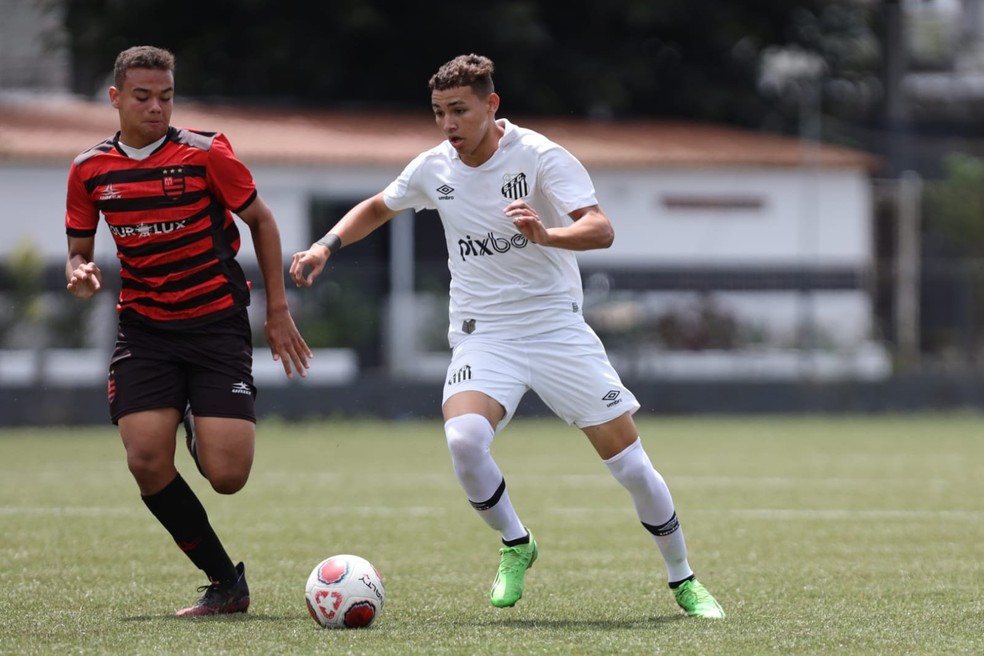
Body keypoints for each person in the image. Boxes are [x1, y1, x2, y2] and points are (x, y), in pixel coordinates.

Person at [290, 54, 724, 618]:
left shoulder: (540, 156)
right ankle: (517, 543)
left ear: (491, 106)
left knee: (632, 466)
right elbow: (378, 206)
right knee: (464, 441)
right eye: (439, 112)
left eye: (459, 110)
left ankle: (683, 578)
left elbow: (601, 229)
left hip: (555, 329)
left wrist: (547, 234)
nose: (448, 124)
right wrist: (325, 245)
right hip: (483, 334)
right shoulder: (433, 168)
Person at [65, 45, 312, 616]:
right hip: (145, 331)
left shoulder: (206, 154)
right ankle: (227, 584)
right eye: (143, 97)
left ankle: (200, 428)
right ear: (116, 98)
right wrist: (80, 273)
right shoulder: (88, 169)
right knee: (146, 461)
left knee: (227, 477)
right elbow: (78, 252)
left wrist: (277, 310)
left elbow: (262, 221)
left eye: (166, 97)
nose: (156, 108)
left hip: (216, 326)